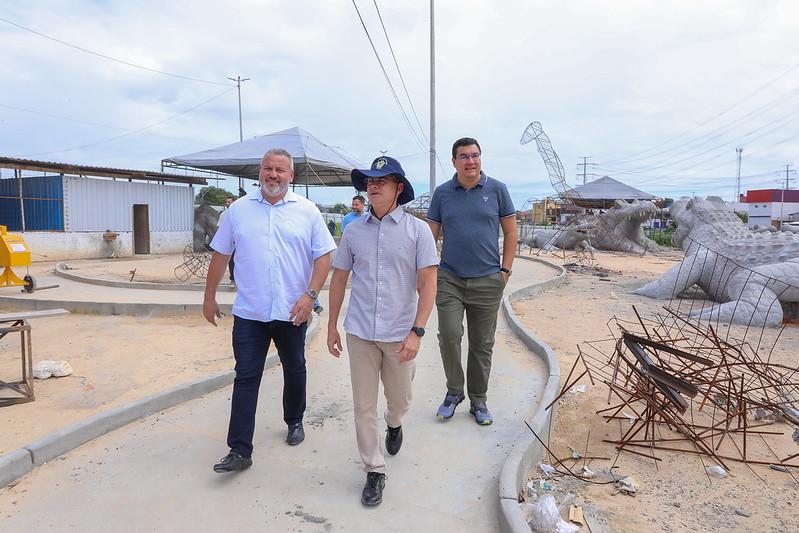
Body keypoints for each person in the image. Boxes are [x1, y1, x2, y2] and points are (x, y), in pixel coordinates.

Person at [203, 148, 336, 473]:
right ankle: (239, 450)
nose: (273, 175)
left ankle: (294, 420)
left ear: (291, 175)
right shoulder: (238, 211)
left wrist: (310, 295)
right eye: (267, 169)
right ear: (260, 172)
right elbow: (220, 254)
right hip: (251, 313)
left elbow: (324, 256)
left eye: (280, 170)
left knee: (295, 367)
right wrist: (209, 297)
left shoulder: (307, 211)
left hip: (293, 311)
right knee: (246, 376)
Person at [327, 156, 438, 506]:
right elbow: (339, 278)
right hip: (360, 331)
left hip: (400, 333)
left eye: (382, 180)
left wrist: (417, 331)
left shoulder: (417, 231)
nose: (372, 186)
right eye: (369, 181)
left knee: (401, 398)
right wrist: (331, 325)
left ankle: (394, 421)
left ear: (398, 188)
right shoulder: (353, 231)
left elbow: (428, 283)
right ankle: (374, 469)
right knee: (363, 405)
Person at [426, 137, 517, 426]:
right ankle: (454, 392)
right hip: (450, 278)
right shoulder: (442, 194)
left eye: (475, 155)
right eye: (464, 156)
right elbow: (430, 236)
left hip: (488, 280)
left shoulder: (498, 190)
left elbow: (511, 233)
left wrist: (505, 272)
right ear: (454, 161)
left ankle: (478, 400)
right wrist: (428, 272)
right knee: (449, 335)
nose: (470, 161)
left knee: (482, 343)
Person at [217, 195, 236, 283]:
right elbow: (219, 228)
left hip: (238, 241)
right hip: (228, 242)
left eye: (229, 202)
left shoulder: (240, 213)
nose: (227, 204)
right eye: (227, 202)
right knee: (230, 260)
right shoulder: (223, 214)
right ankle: (233, 279)